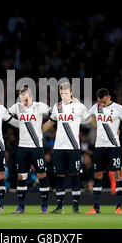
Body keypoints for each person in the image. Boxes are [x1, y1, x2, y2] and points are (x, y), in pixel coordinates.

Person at [42, 82, 92, 214]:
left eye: (66, 92)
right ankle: (59, 207)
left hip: (74, 147)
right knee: (59, 176)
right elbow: (51, 122)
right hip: (59, 147)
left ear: (71, 92)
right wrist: (38, 131)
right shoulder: (57, 106)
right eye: (61, 93)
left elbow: (89, 120)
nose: (64, 95)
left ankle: (76, 207)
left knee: (75, 176)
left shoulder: (79, 106)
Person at [85, 88, 122, 215]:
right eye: (100, 102)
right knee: (97, 175)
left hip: (114, 147)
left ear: (109, 97)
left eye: (104, 102)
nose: (102, 105)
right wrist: (97, 125)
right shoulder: (95, 107)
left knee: (117, 175)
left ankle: (119, 207)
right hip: (99, 147)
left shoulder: (119, 108)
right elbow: (86, 118)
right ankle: (96, 208)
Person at [7, 87, 51, 214]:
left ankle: (44, 207)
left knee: (41, 175)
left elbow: (54, 112)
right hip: (22, 148)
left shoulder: (39, 106)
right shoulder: (17, 107)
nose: (24, 102)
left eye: (26, 99)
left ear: (31, 97)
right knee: (21, 176)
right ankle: (21, 207)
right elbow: (4, 115)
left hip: (36, 148)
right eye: (22, 99)